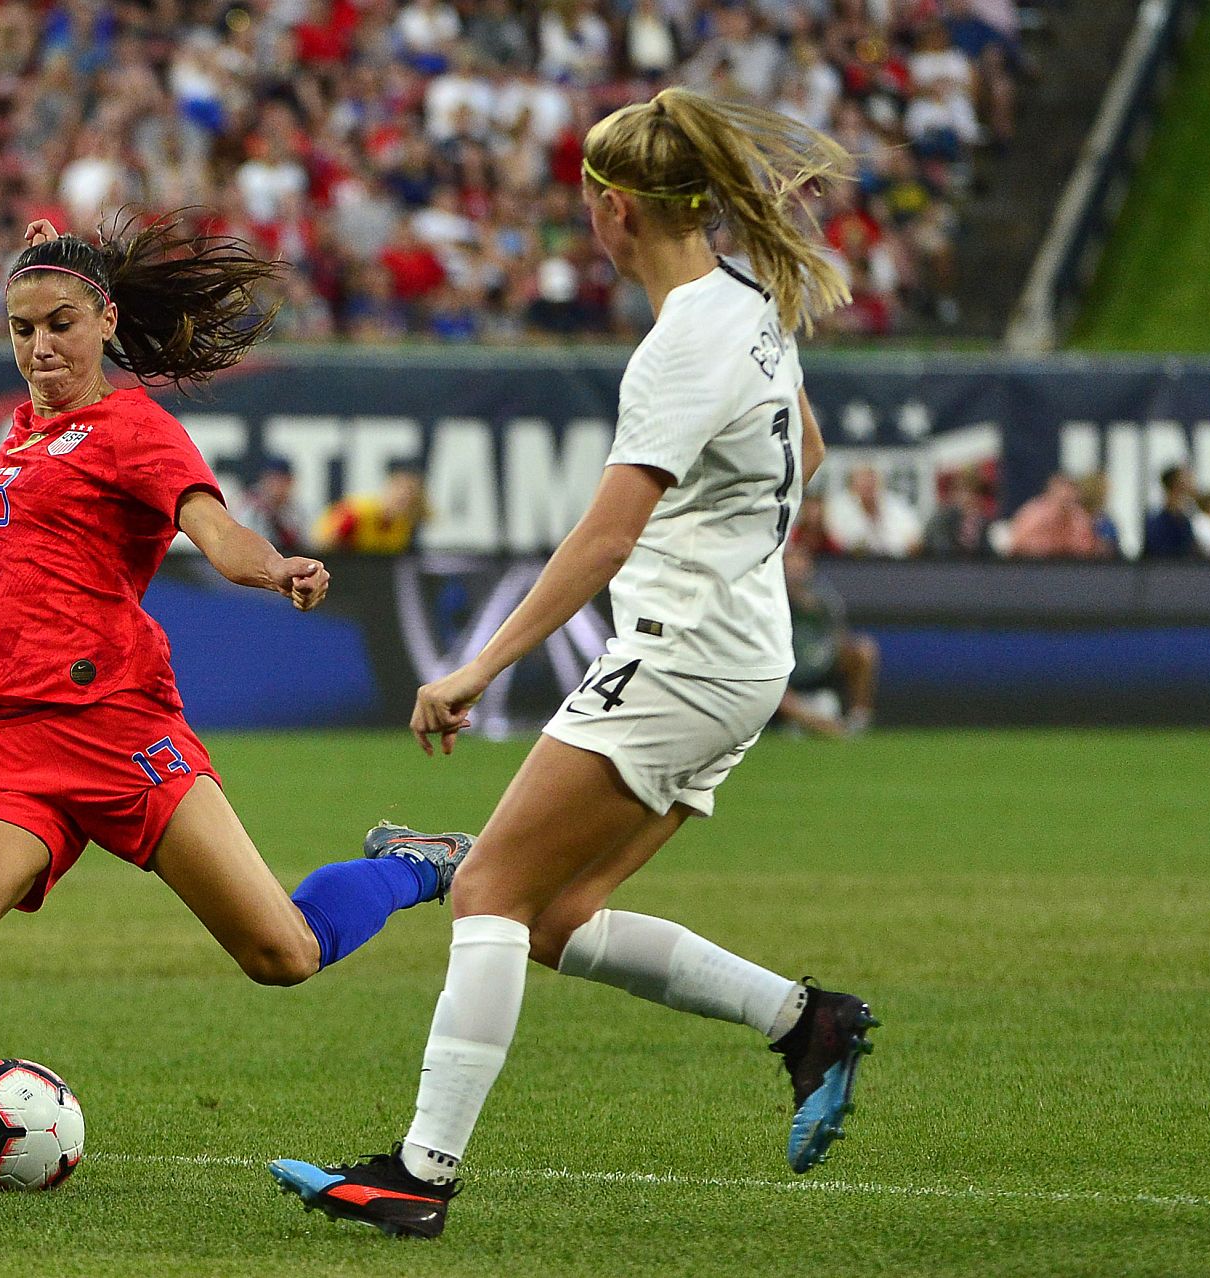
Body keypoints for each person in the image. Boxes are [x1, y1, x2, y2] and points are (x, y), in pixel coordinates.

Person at [269, 88, 878, 1239]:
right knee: (556, 913)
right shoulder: (751, 300)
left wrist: (476, 668)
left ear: (612, 209)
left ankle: (421, 1173)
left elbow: (604, 536)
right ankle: (809, 1024)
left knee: (492, 890)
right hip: (743, 655)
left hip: (683, 656)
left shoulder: (679, 342)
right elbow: (810, 445)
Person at [0, 212, 470, 1187]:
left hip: (117, 727)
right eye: (21, 328)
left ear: (104, 321)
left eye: (59, 323)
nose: (39, 346)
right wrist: (49, 243)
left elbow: (212, 527)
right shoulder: (20, 430)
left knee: (283, 952)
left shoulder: (135, 426)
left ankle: (411, 866)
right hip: (6, 735)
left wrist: (274, 568)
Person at [777, 541, 878, 736]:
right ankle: (823, 726)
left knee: (865, 649)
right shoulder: (770, 601)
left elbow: (839, 637)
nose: (796, 569)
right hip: (785, 676)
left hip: (819, 668)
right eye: (790, 562)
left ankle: (858, 721)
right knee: (772, 688)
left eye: (801, 561)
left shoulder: (823, 599)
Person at [311, 462, 427, 553]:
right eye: (399, 490)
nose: (403, 497)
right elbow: (323, 543)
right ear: (389, 488)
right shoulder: (358, 513)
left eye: (409, 494)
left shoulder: (404, 523)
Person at [824, 463, 922, 557]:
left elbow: (913, 541)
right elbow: (840, 542)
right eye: (863, 482)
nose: (868, 486)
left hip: (895, 565)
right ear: (852, 485)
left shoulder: (896, 504)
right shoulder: (838, 506)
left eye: (871, 481)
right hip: (850, 565)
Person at [1003, 472, 1100, 559]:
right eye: (1060, 498)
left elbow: (1086, 549)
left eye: (1069, 500)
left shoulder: (1079, 518)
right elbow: (1017, 544)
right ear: (1050, 494)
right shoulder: (1033, 514)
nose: (1064, 504)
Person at [233, 457, 305, 556]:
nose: (277, 486)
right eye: (273, 480)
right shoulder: (250, 505)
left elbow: (304, 544)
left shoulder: (297, 509)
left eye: (282, 480)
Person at [1140, 465, 1197, 560]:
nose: (1191, 484)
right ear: (1176, 485)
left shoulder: (1186, 520)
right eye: (1186, 479)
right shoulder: (1156, 522)